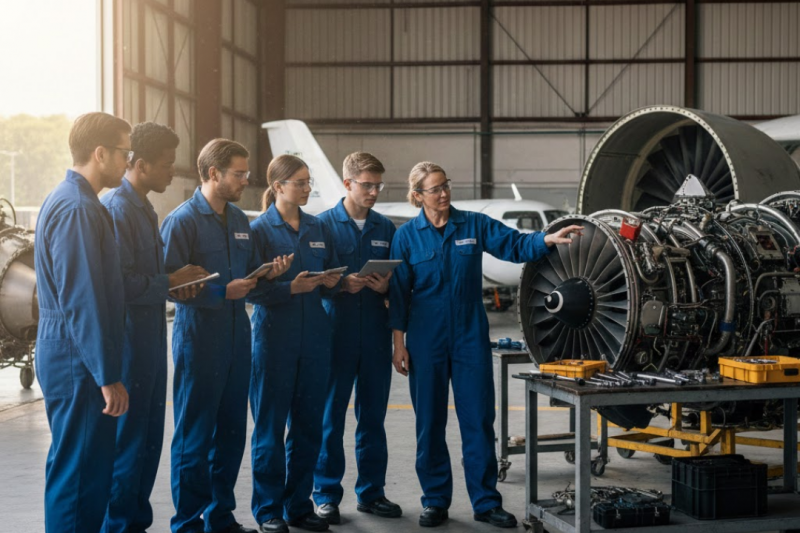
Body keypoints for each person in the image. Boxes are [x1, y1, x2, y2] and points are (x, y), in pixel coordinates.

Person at [389, 162, 583, 529]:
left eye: (446, 185)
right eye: (434, 189)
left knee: (479, 421)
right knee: (429, 423)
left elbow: (513, 244)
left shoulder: (473, 225)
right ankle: (434, 500)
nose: (444, 193)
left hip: (468, 337)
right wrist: (398, 344)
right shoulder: (407, 237)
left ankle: (486, 501)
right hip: (425, 338)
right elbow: (399, 295)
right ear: (418, 196)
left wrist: (547, 239)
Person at [161, 139, 291, 533]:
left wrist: (268, 271)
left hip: (238, 337)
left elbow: (247, 271)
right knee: (194, 436)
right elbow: (167, 286)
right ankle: (187, 524)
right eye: (239, 173)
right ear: (213, 173)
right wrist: (222, 292)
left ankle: (220, 517)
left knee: (232, 434)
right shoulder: (182, 221)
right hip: (199, 338)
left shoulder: (238, 220)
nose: (246, 180)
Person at [100, 122, 209, 533]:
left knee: (147, 444)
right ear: (140, 164)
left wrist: (178, 279)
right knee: (128, 446)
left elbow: (148, 275)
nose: (172, 172)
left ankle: (135, 524)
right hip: (128, 344)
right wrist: (171, 282)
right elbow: (121, 283)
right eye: (166, 165)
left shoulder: (145, 208)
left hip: (149, 343)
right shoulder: (117, 210)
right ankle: (118, 526)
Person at [34, 112, 132, 533]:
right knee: (78, 475)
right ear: (100, 153)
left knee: (86, 469)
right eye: (125, 153)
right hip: (77, 354)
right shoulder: (76, 208)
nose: (128, 162)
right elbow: (83, 298)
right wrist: (106, 374)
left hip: (75, 350)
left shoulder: (78, 201)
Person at [248, 154, 342, 533]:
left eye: (308, 182)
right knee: (269, 430)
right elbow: (250, 291)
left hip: (315, 340)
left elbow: (331, 270)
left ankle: (298, 506)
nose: (307, 188)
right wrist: (290, 287)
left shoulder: (318, 226)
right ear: (278, 187)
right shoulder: (258, 231)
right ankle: (268, 511)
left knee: (308, 429)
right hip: (275, 340)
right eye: (300, 182)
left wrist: (334, 281)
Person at [313, 153, 401, 524]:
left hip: (376, 337)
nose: (374, 192)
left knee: (373, 419)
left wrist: (386, 287)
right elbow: (313, 282)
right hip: (336, 334)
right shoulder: (321, 227)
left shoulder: (386, 228)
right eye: (367, 185)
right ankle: (326, 494)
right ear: (347, 184)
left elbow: (399, 285)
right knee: (330, 417)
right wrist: (338, 286)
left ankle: (371, 492)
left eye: (378, 185)